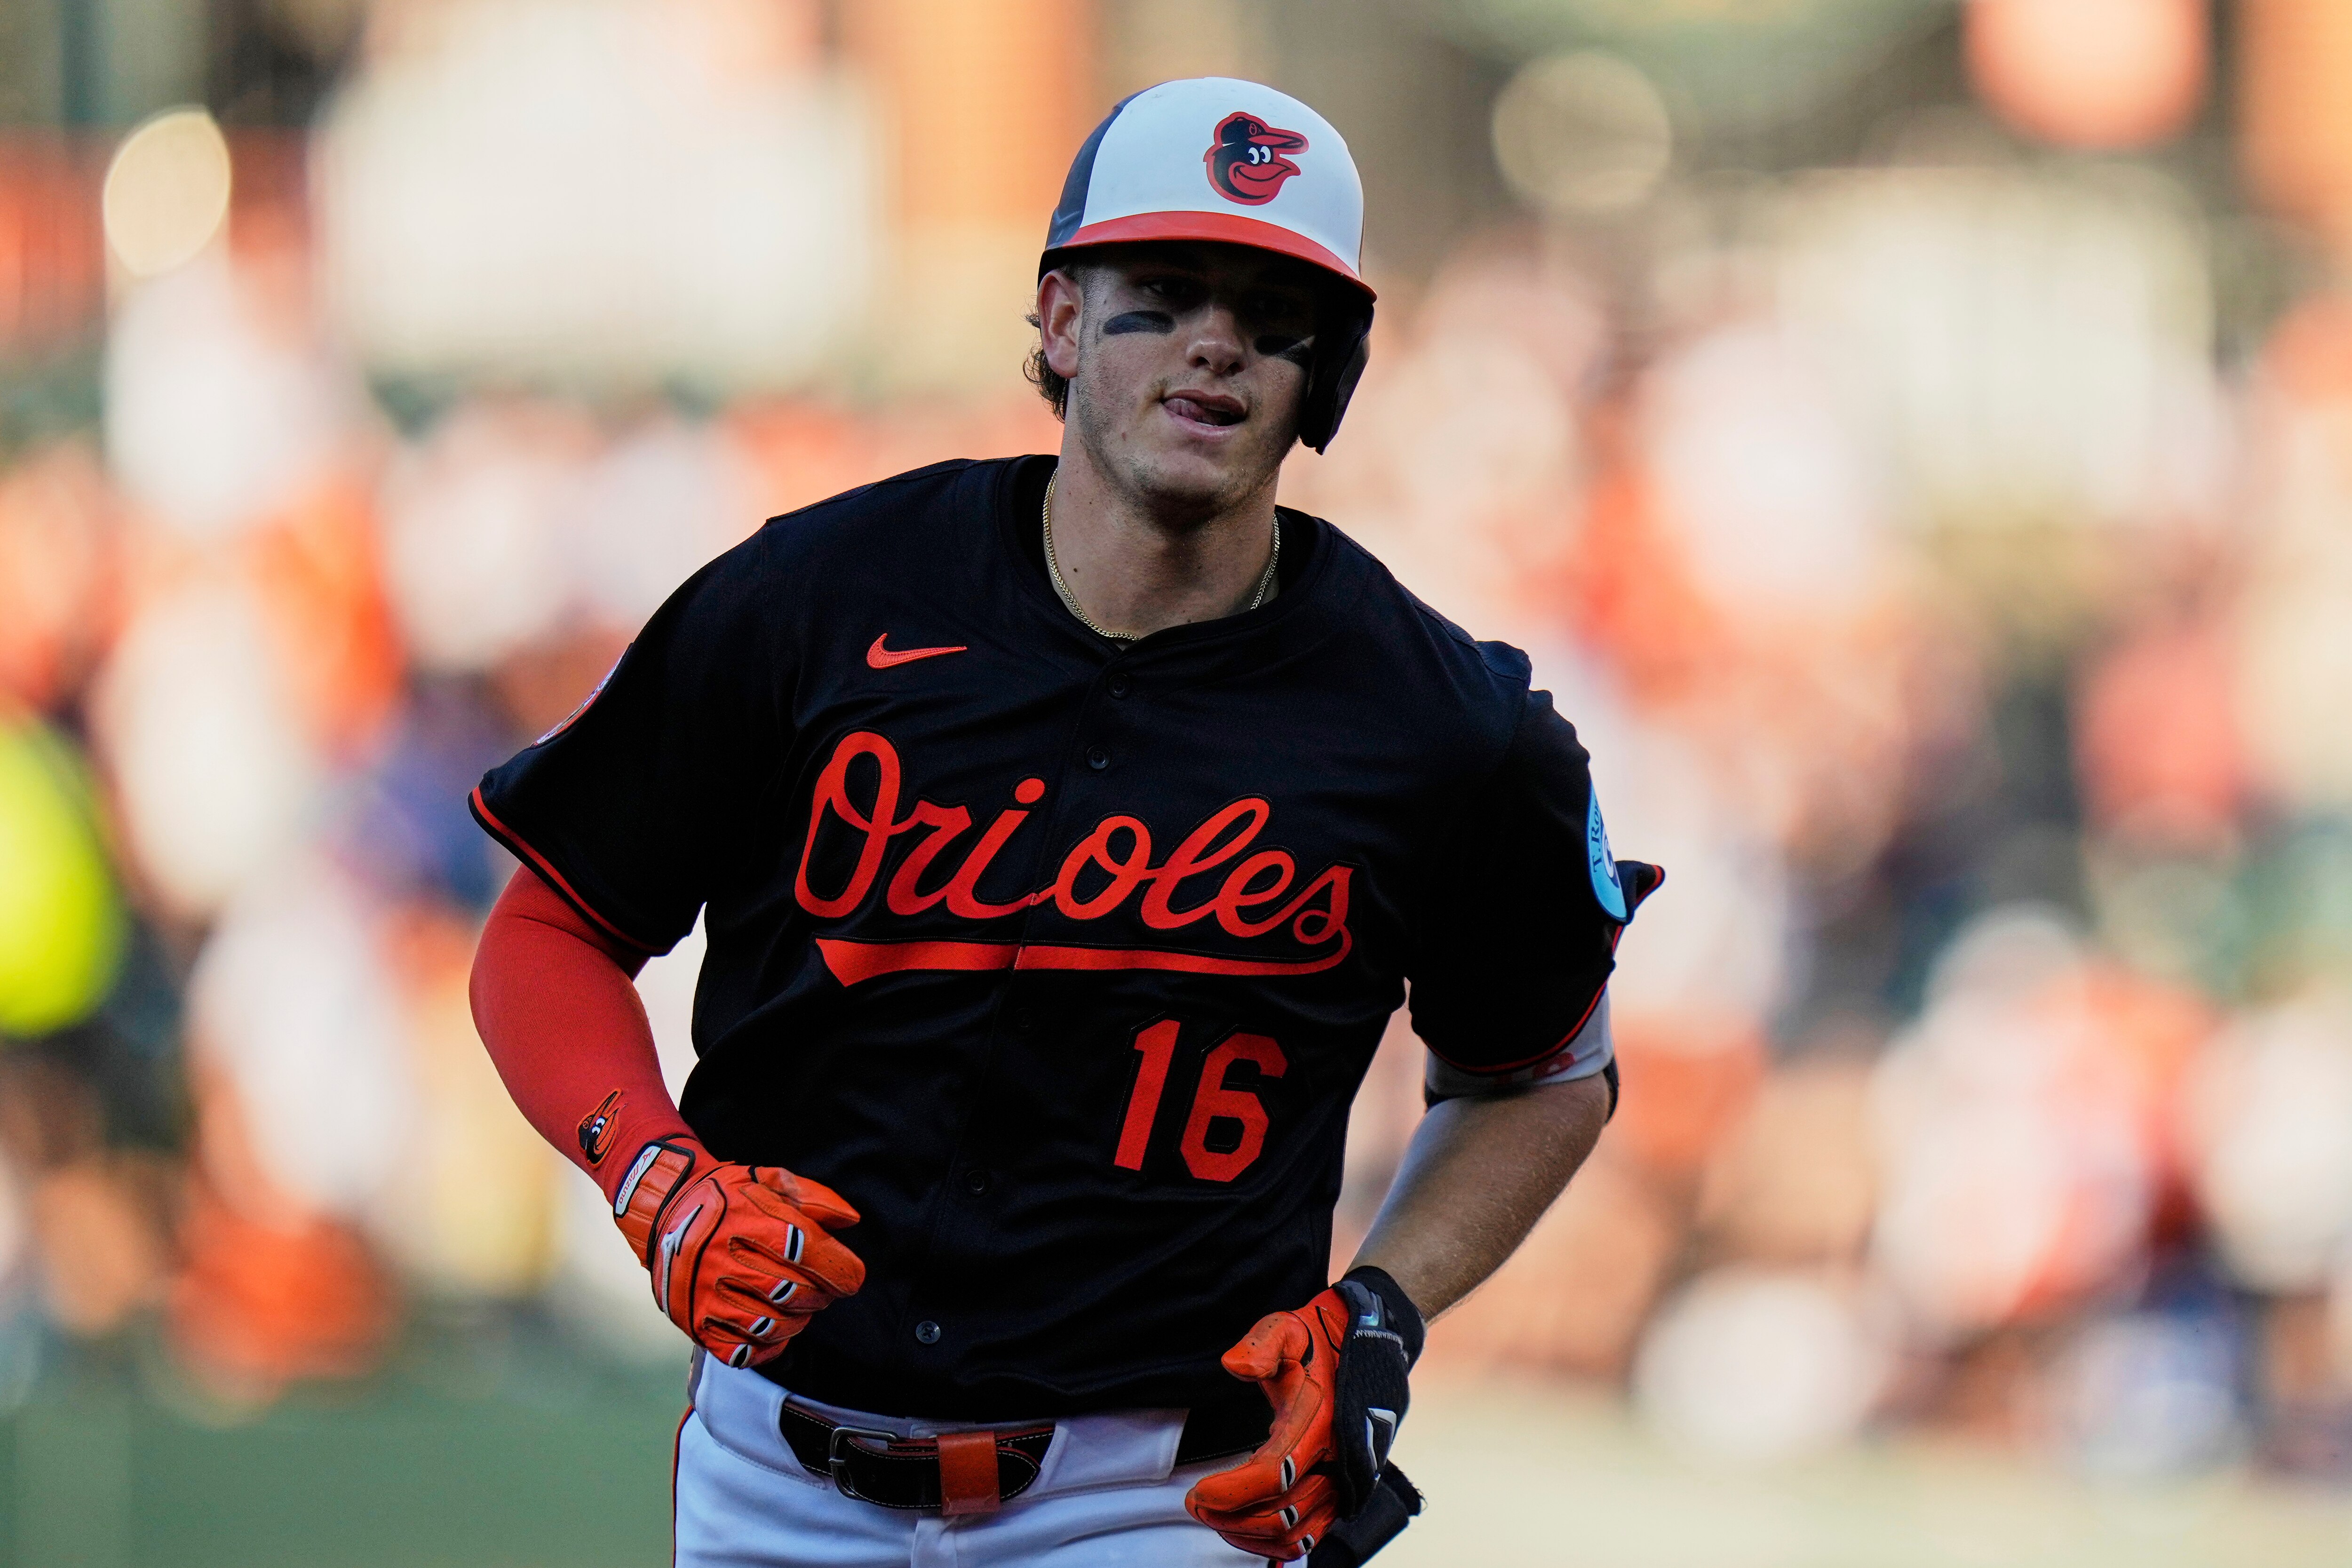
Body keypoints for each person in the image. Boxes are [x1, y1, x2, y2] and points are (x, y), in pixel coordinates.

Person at [467, 76, 1659, 1568]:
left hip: (1160, 1496)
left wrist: (1379, 1318)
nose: (1215, 339)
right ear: (1059, 321)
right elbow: (552, 923)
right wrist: (652, 1175)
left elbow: (1541, 1071)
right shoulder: (817, 601)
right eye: (1162, 292)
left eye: (1271, 310)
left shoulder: (1442, 724)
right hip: (774, 1476)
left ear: (1328, 372)